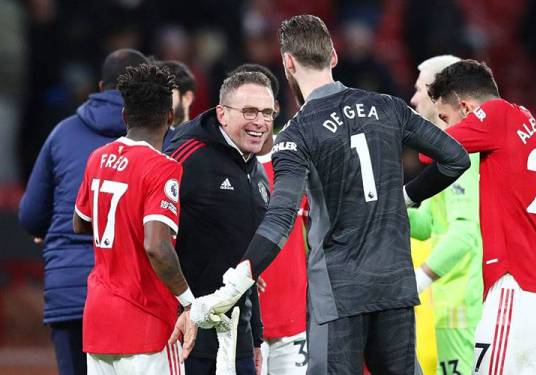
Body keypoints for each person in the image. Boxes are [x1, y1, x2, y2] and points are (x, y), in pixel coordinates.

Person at [177, 14, 471, 375]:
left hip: (339, 294)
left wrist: (237, 281)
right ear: (333, 56)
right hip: (395, 286)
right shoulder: (388, 106)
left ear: (287, 62)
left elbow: (281, 217)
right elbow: (455, 159)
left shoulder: (296, 135)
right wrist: (406, 197)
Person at [428, 59, 536, 374]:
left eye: (444, 118)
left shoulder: (497, 114)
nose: (444, 126)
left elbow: (433, 149)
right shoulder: (535, 133)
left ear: (466, 108)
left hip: (516, 294)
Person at [18, 48, 148, 375]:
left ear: (101, 86)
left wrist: (48, 229)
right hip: (131, 293)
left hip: (69, 289)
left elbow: (30, 215)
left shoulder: (62, 133)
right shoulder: (161, 139)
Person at [72, 63, 197, 374]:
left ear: (125, 116)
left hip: (99, 322)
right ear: (170, 118)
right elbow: (156, 246)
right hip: (147, 321)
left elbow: (80, 222)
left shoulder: (98, 158)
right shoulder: (163, 168)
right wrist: (189, 301)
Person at [165, 71, 275, 374]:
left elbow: (245, 260)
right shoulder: (186, 155)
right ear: (222, 114)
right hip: (188, 334)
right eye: (249, 111)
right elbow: (151, 237)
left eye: (267, 112)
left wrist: (255, 337)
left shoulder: (257, 171)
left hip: (237, 337)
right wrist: (183, 306)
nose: (260, 122)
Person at [231, 63, 309, 375]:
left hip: (293, 320)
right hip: (241, 321)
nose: (255, 119)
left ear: (275, 108)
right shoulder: (218, 167)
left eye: (261, 109)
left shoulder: (297, 162)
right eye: (246, 110)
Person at [408, 55, 483, 375]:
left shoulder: (461, 151)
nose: (412, 99)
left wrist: (418, 280)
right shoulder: (445, 153)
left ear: (440, 93)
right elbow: (430, 225)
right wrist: (381, 206)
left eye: (419, 89)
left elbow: (465, 234)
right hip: (447, 306)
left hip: (462, 309)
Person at [158, 60, 196, 149]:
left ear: (187, 98)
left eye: (166, 94)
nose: (158, 100)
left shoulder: (202, 145)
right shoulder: (145, 142)